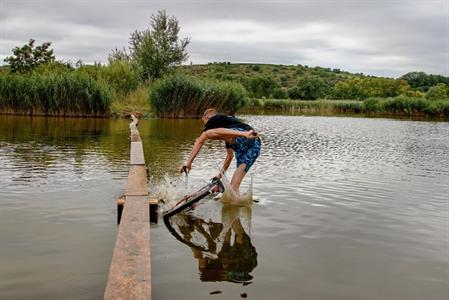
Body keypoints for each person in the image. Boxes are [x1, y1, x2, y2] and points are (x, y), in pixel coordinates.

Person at [180, 108, 261, 197]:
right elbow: (229, 156)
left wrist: (189, 162)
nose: (205, 125)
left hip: (246, 135)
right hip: (253, 147)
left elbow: (200, 141)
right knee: (233, 188)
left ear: (207, 117)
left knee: (208, 133)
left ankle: (245, 134)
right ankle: (238, 204)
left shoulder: (214, 118)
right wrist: (220, 175)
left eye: (204, 121)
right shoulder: (228, 133)